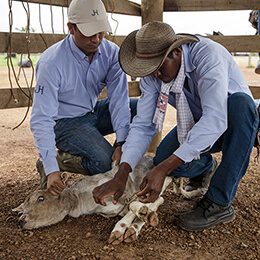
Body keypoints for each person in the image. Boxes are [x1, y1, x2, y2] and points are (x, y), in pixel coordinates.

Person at [93, 21, 260, 231]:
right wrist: (122, 173)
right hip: (201, 123)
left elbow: (215, 119)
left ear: (178, 52)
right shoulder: (154, 73)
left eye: (159, 66)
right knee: (163, 158)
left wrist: (163, 170)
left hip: (236, 122)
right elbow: (144, 125)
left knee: (240, 104)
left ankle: (218, 202)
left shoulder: (208, 56)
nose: (154, 74)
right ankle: (206, 167)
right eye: (149, 68)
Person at [30, 0, 137, 196]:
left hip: (91, 112)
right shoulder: (51, 62)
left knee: (140, 108)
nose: (96, 39)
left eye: (101, 32)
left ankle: (125, 159)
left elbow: (119, 100)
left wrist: (122, 143)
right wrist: (52, 167)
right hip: (64, 122)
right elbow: (41, 119)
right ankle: (58, 161)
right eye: (90, 32)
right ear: (71, 28)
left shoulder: (112, 53)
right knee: (105, 164)